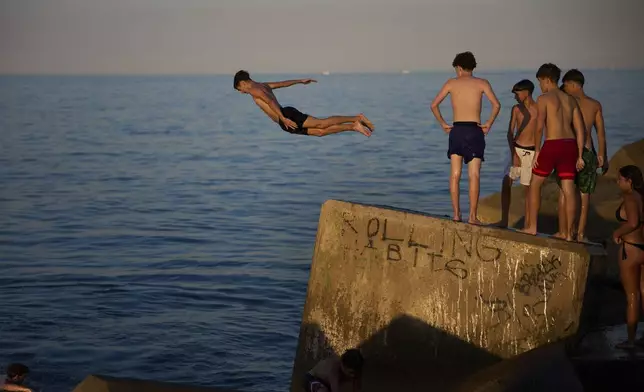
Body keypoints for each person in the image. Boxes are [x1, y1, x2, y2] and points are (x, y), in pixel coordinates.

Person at [430, 51, 501, 223]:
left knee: (455, 175)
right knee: (474, 175)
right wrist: (489, 123)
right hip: (474, 130)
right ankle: (472, 216)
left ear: (459, 68)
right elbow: (497, 105)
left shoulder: (451, 83)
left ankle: (456, 214)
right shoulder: (482, 83)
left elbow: (433, 105)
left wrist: (443, 123)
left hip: (457, 130)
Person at [520, 63, 585, 240]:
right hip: (570, 145)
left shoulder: (544, 99)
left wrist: (537, 150)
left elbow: (539, 127)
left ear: (547, 80)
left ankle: (532, 227)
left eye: (540, 81)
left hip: (553, 144)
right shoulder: (570, 100)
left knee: (535, 184)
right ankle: (569, 235)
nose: (540, 86)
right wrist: (579, 155)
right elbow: (580, 130)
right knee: (568, 189)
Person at [233, 70, 373, 137]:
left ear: (243, 83)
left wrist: (283, 118)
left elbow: (269, 101)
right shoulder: (263, 85)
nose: (241, 92)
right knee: (320, 132)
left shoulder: (253, 90)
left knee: (321, 124)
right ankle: (353, 126)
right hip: (285, 118)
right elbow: (282, 84)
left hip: (286, 117)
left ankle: (356, 118)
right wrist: (299, 80)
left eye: (240, 88)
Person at [556, 69, 608, 242]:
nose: (564, 88)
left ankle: (564, 232)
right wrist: (602, 155)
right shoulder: (595, 105)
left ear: (572, 84)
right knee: (585, 196)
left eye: (565, 85)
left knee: (564, 192)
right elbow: (600, 133)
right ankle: (580, 234)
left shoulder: (566, 103)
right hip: (587, 152)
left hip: (569, 150)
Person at [612, 165, 644, 350]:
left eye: (620, 179)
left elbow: (632, 222)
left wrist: (617, 232)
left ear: (629, 181)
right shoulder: (642, 197)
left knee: (632, 296)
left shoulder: (630, 197)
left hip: (630, 250)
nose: (618, 182)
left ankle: (631, 340)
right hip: (642, 248)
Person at [499, 79, 538, 228]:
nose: (515, 97)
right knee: (506, 182)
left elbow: (541, 133)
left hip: (531, 151)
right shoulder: (516, 109)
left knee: (528, 188)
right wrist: (514, 153)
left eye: (518, 93)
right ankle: (504, 220)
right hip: (516, 149)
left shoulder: (539, 109)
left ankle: (528, 224)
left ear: (526, 92)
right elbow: (510, 133)